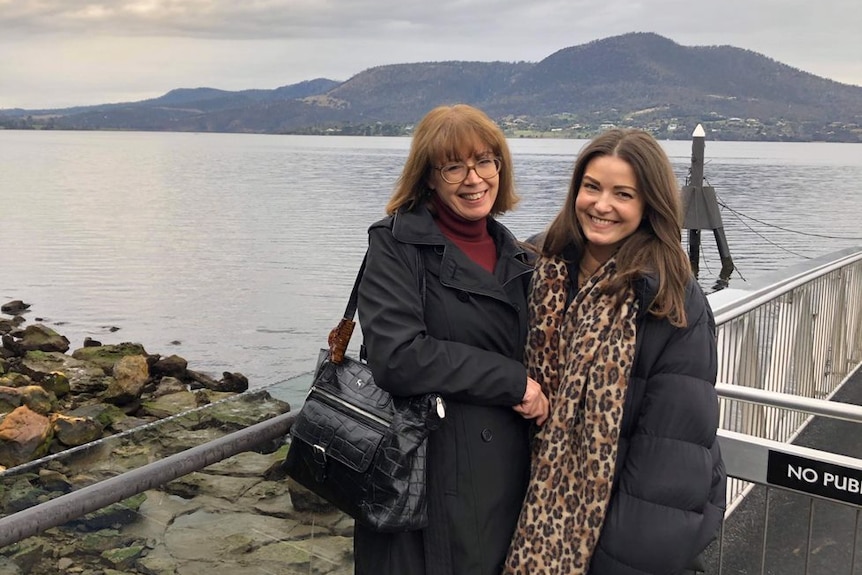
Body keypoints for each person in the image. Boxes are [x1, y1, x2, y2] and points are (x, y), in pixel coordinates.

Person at [504, 128, 726, 575]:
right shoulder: (532, 266)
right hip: (521, 513)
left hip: (613, 540)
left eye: (623, 194)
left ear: (648, 205)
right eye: (592, 187)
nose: (601, 205)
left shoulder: (669, 299)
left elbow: (667, 466)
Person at [355, 104, 550, 575]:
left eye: (486, 161)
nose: (474, 178)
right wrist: (514, 382)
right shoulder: (395, 245)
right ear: (428, 177)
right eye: (454, 166)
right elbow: (397, 357)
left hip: (508, 478)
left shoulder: (519, 256)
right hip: (425, 477)